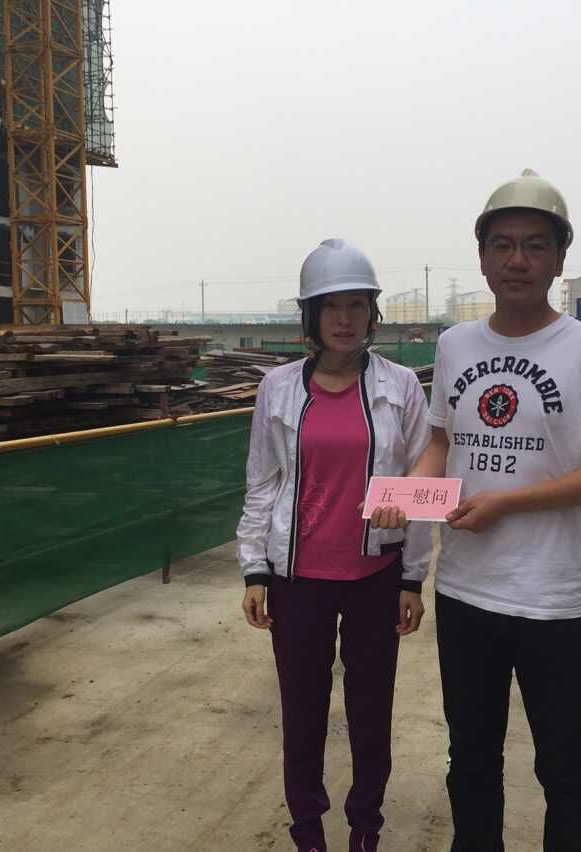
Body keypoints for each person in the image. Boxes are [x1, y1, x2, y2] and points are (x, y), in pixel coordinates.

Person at [372, 170, 581, 851]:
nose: (517, 260)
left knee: (564, 764)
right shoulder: (455, 345)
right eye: (502, 245)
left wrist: (509, 504)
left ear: (559, 257)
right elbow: (442, 441)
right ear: (483, 257)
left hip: (550, 598)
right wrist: (407, 494)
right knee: (470, 758)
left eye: (534, 245)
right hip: (466, 592)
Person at [237, 238, 432, 852]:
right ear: (311, 316)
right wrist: (254, 569)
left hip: (376, 575)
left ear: (373, 313)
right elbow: (262, 482)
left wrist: (412, 577)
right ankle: (308, 829)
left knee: (372, 712)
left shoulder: (401, 386)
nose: (344, 319)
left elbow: (420, 481)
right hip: (297, 580)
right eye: (330, 306)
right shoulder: (278, 388)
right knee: (303, 712)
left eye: (356, 305)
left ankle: (365, 825)